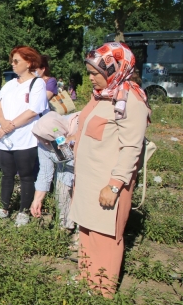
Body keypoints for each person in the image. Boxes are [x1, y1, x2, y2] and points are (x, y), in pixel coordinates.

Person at [69, 43, 150, 296]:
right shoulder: (102, 95)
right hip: (87, 180)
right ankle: (86, 279)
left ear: (116, 69)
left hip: (107, 183)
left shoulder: (130, 101)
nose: (90, 78)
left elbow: (131, 148)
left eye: (95, 73)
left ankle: (102, 289)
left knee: (105, 235)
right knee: (87, 229)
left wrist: (115, 184)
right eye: (89, 73)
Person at [0, 45, 48, 226]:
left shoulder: (38, 84)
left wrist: (8, 127)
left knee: (26, 176)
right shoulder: (10, 84)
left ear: (29, 63)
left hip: (25, 138)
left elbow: (32, 111)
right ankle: (4, 208)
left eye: (16, 61)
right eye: (12, 61)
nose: (12, 64)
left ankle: (23, 211)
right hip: (6, 139)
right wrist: (3, 123)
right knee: (7, 174)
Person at [29, 111, 79, 231]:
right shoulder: (43, 143)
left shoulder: (77, 128)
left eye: (48, 139)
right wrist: (37, 200)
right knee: (62, 196)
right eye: (42, 139)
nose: (45, 143)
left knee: (82, 201)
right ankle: (65, 226)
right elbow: (45, 173)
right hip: (64, 169)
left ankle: (81, 233)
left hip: (85, 171)